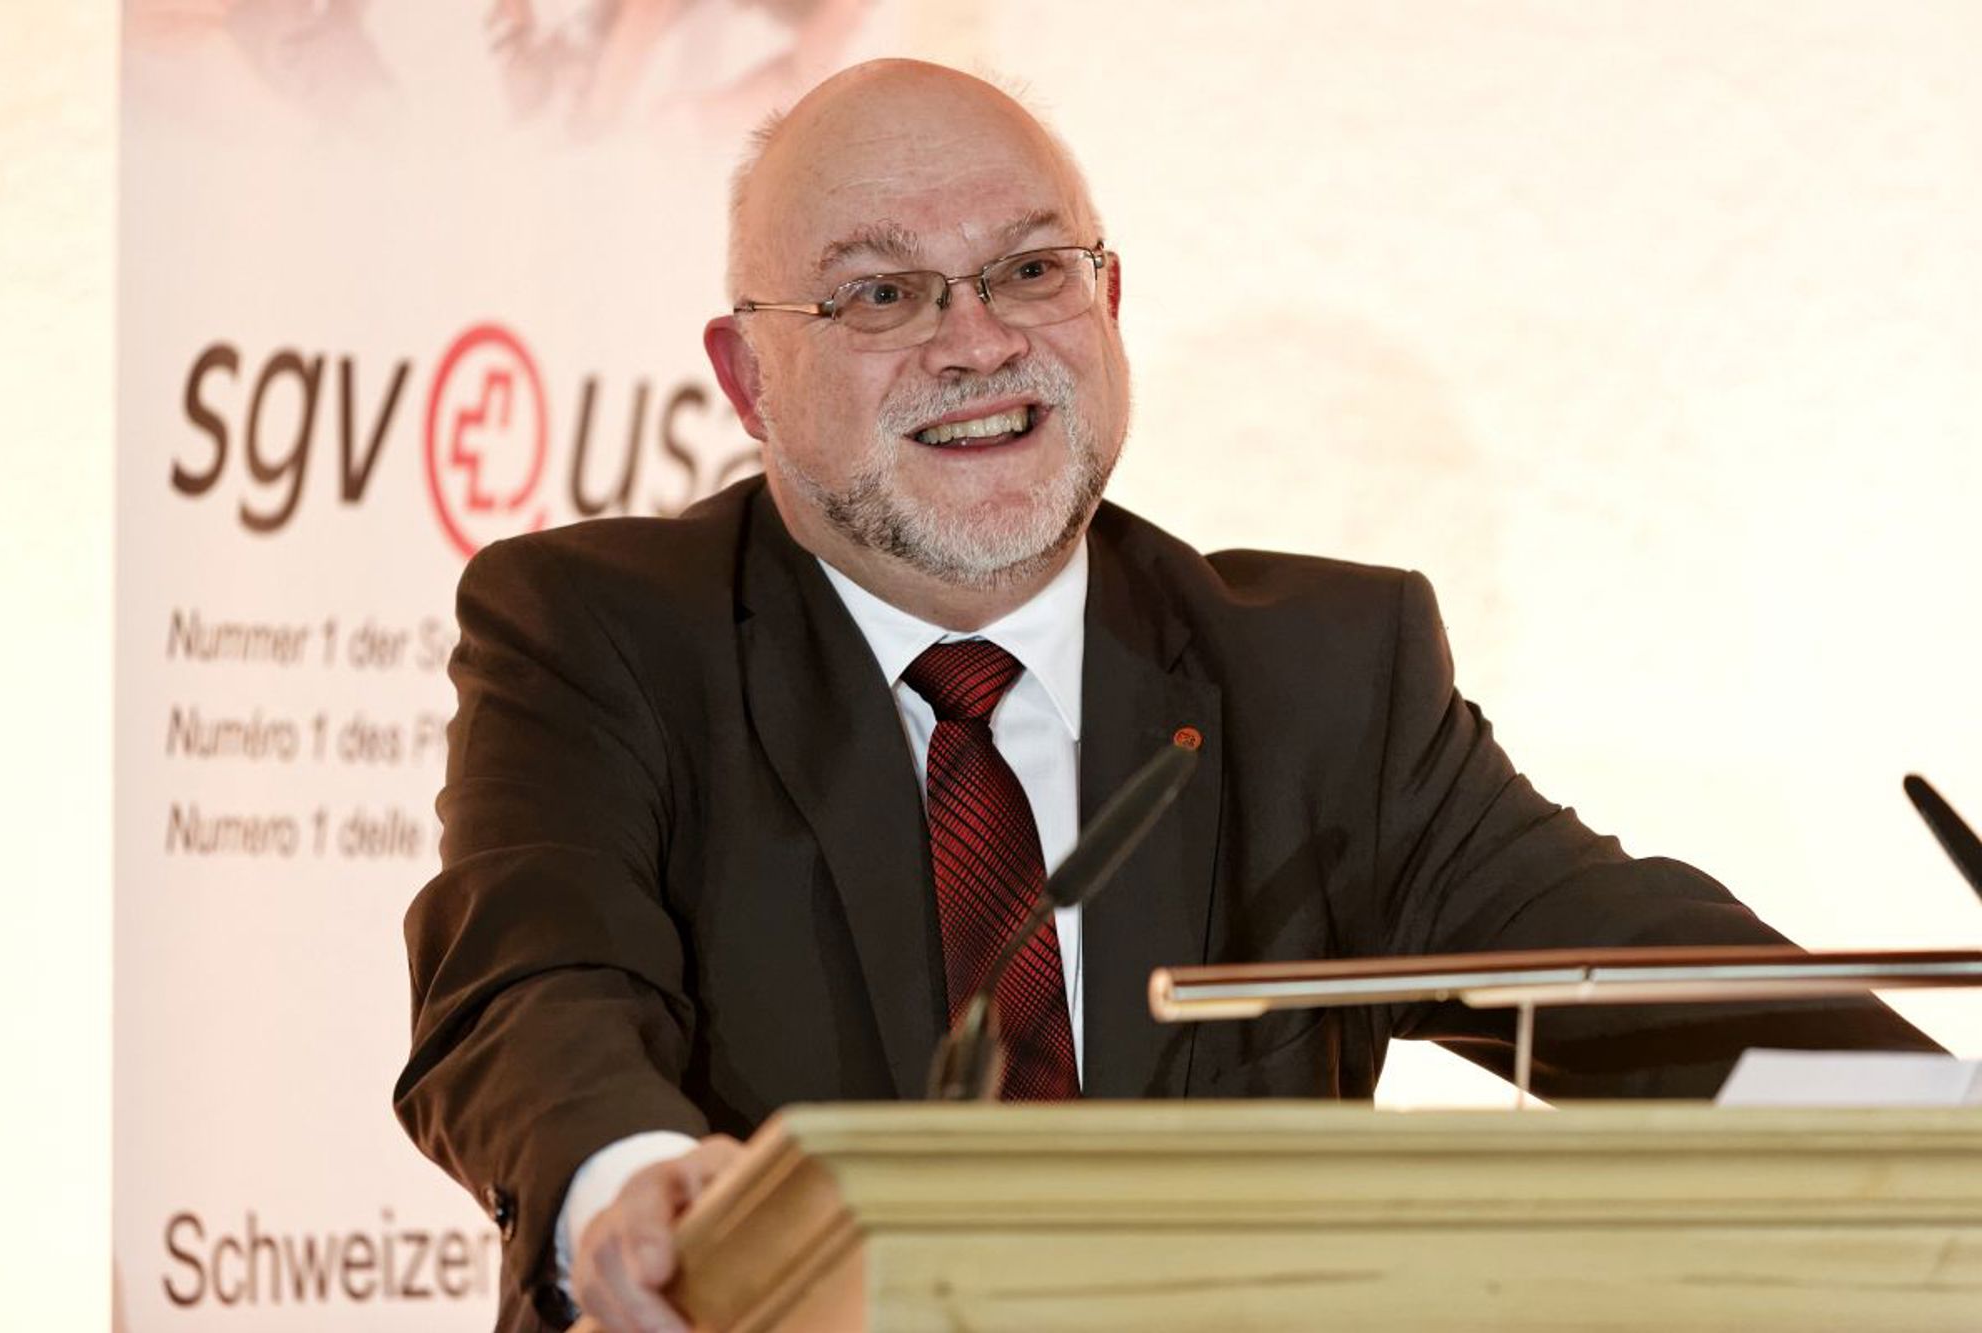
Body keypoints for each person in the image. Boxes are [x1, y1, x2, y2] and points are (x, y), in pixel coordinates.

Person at [394, 58, 1937, 1333]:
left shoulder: (1320, 675)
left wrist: (1947, 1130)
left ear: (1111, 299)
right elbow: (529, 989)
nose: (978, 340)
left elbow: (1645, 984)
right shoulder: (600, 634)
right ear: (746, 378)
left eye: (1030, 269)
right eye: (882, 295)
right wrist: (632, 1184)